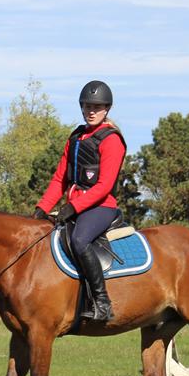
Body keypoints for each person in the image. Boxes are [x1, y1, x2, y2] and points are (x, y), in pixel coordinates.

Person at [33, 80, 126, 321]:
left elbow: (104, 186)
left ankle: (102, 302)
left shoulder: (111, 140)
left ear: (107, 109)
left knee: (79, 239)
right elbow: (58, 180)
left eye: (97, 106)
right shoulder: (75, 138)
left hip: (101, 207)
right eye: (87, 106)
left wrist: (72, 207)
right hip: (75, 207)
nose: (91, 111)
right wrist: (41, 209)